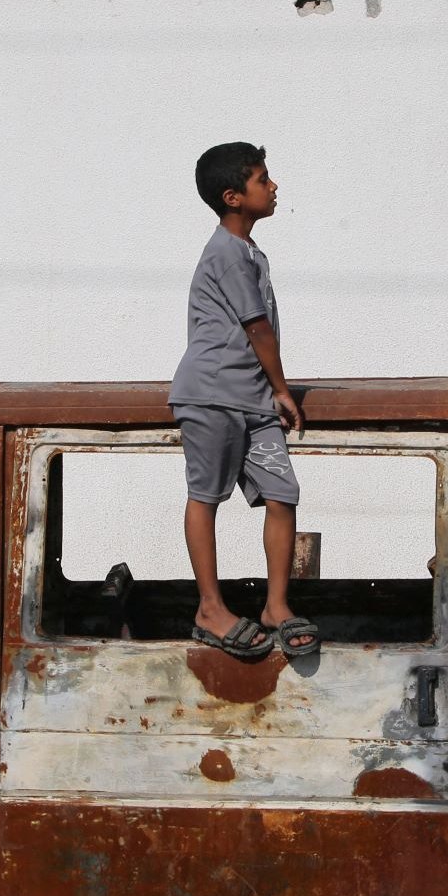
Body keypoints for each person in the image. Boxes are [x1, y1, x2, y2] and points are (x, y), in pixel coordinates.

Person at [168, 142, 317, 660]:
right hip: (213, 394)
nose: (273, 187)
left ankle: (276, 605)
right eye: (262, 180)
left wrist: (270, 392)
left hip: (253, 399)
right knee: (206, 496)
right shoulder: (227, 253)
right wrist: (282, 389)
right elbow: (256, 327)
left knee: (283, 493)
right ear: (233, 196)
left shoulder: (251, 252)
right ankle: (210, 607)